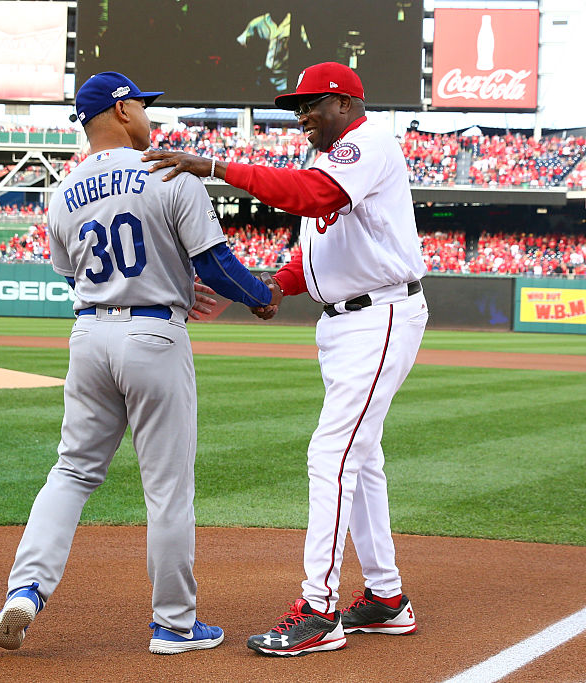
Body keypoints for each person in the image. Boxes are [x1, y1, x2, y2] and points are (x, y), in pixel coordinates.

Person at [0, 71, 280, 655]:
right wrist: (262, 297)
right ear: (121, 111)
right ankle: (174, 624)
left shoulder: (62, 191)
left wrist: (157, 283)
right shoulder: (169, 169)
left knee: (70, 473)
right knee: (168, 488)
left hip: (89, 335)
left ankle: (24, 592)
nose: (149, 115)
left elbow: (72, 274)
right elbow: (216, 264)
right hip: (152, 339)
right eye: (142, 105)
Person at [144, 61, 427, 656]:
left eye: (311, 105)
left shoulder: (367, 143)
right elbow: (318, 252)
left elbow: (313, 196)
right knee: (361, 456)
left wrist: (217, 166)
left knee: (331, 453)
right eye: (297, 107)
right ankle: (385, 597)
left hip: (379, 316)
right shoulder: (329, 159)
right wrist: (268, 288)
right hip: (348, 321)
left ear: (345, 104)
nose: (302, 117)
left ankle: (319, 610)